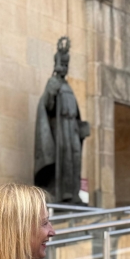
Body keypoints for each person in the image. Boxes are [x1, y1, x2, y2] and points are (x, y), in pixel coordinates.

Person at [34, 36, 89, 204]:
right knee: (64, 160)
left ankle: (73, 193)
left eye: (66, 65)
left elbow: (76, 111)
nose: (64, 68)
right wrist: (52, 92)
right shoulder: (53, 83)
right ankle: (62, 194)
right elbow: (47, 106)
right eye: (62, 65)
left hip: (71, 128)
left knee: (75, 158)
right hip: (60, 129)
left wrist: (82, 127)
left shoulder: (68, 87)